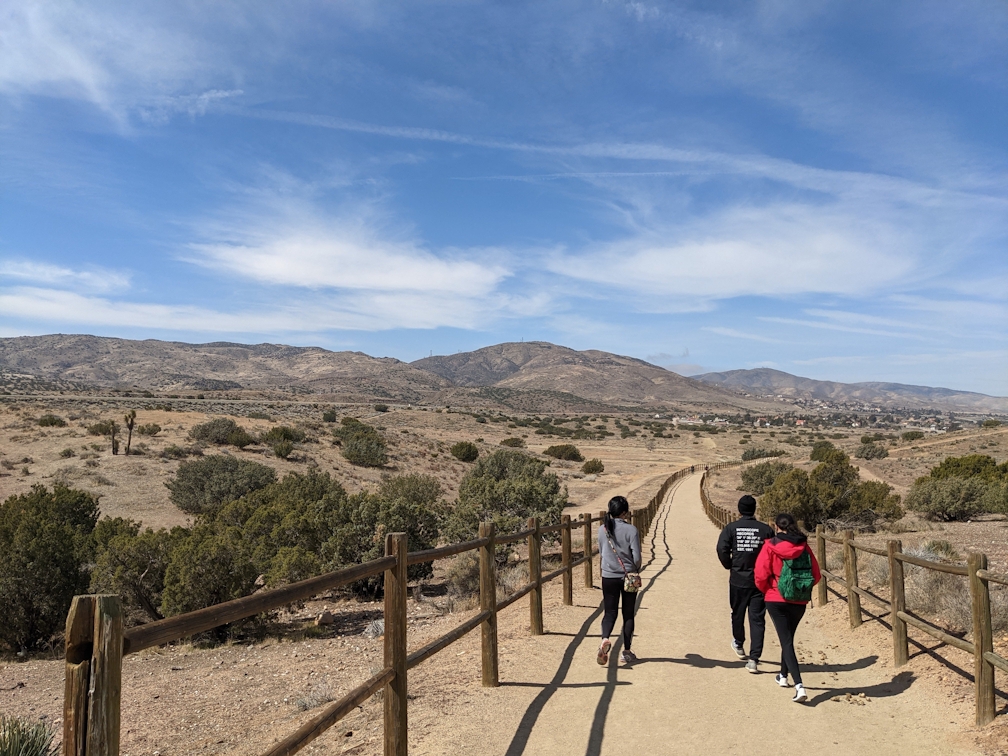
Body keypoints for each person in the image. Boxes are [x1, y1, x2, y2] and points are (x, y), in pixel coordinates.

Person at [754, 512, 821, 703]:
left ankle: (799, 686)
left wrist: (768, 590)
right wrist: (800, 588)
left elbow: (760, 574)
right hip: (799, 600)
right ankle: (782, 676)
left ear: (776, 526)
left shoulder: (770, 546)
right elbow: (816, 575)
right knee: (788, 638)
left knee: (786, 641)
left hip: (776, 598)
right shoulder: (804, 546)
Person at [716, 495, 775, 673]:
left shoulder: (731, 528)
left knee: (737, 613)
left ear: (740, 509)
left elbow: (721, 549)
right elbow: (773, 553)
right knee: (757, 619)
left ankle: (739, 643)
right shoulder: (766, 530)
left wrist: (730, 565)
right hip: (760, 581)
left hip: (738, 579)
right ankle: (754, 659)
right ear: (754, 509)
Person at [597, 495, 642, 666]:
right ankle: (627, 652)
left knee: (609, 612)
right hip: (628, 577)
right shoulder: (631, 530)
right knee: (628, 614)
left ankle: (604, 638)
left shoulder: (602, 529)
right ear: (624, 513)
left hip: (608, 576)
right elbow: (636, 556)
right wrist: (635, 569)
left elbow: (602, 553)